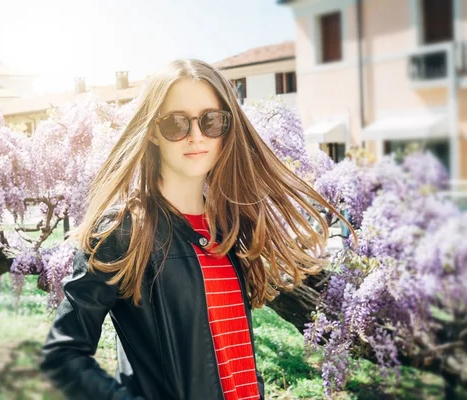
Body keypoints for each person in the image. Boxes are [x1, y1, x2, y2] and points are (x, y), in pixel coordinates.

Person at [39, 59, 348, 400]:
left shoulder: (230, 229)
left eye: (211, 121)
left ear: (227, 128)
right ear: (154, 131)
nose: (196, 136)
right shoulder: (123, 232)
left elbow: (231, 354)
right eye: (176, 123)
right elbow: (62, 356)